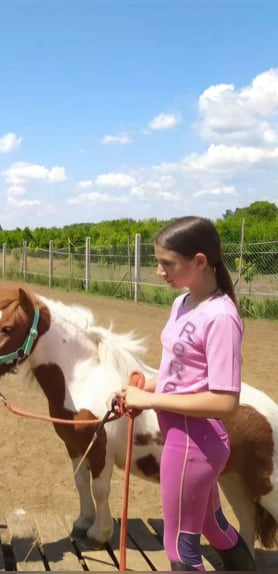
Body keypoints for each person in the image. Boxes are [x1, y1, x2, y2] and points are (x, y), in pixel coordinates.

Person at [119, 216, 256, 571]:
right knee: (214, 525)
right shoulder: (183, 304)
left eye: (167, 264)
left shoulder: (221, 317)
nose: (160, 272)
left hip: (194, 445)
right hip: (184, 438)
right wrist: (144, 387)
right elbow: (179, 372)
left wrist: (149, 401)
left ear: (199, 261)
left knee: (180, 547)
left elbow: (225, 401)